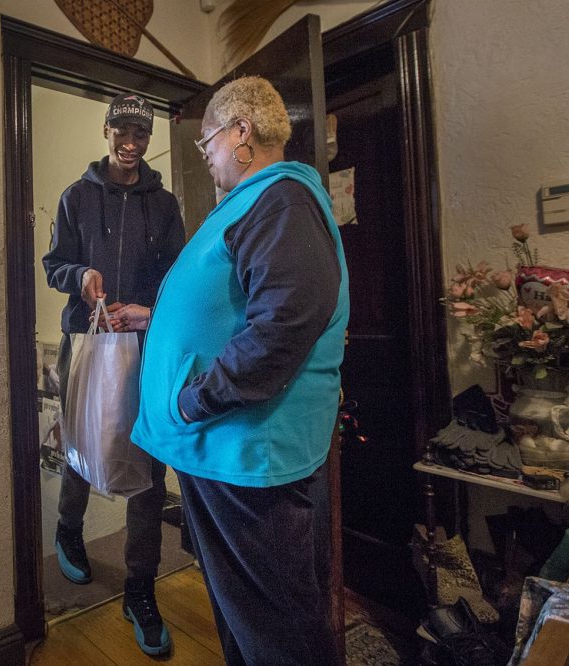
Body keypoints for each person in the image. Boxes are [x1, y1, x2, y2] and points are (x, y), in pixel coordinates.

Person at [117, 76, 349, 665]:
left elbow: (284, 324)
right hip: (223, 454)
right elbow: (237, 305)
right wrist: (159, 319)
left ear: (242, 133)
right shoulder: (258, 202)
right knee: (246, 622)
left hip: (248, 459)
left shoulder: (284, 199)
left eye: (208, 143)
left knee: (281, 635)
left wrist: (199, 399)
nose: (208, 158)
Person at [42, 92, 186, 657]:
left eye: (141, 134)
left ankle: (139, 589)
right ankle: (68, 529)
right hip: (86, 340)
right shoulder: (76, 197)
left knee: (146, 461)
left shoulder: (166, 203)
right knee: (84, 443)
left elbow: (177, 277)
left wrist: (148, 310)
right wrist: (80, 276)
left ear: (149, 139)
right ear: (105, 131)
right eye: (121, 131)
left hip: (145, 344)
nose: (130, 143)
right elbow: (54, 265)